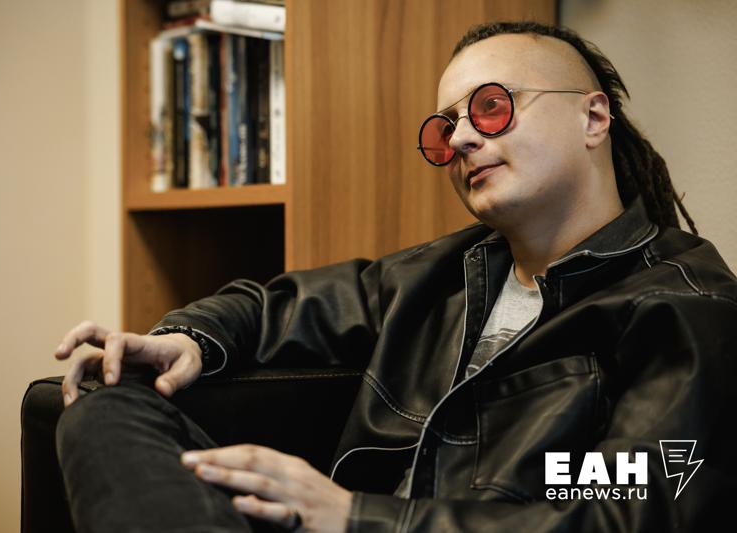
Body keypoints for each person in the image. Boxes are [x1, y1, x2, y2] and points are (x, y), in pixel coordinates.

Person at [54, 21, 737, 532]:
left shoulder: (682, 308)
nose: (461, 138)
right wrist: (188, 339)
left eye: (491, 106)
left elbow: (624, 515)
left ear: (593, 117)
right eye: (445, 128)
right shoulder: (440, 275)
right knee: (107, 402)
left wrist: (355, 516)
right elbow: (272, 305)